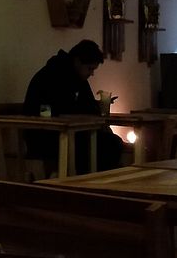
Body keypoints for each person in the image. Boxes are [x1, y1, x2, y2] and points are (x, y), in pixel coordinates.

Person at [23, 38, 125, 174]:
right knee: (107, 145)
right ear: (77, 61)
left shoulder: (77, 77)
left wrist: (97, 108)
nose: (91, 73)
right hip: (46, 136)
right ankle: (87, 182)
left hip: (69, 132)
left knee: (111, 142)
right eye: (90, 68)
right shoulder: (52, 75)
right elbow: (56, 109)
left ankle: (92, 181)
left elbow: (87, 105)